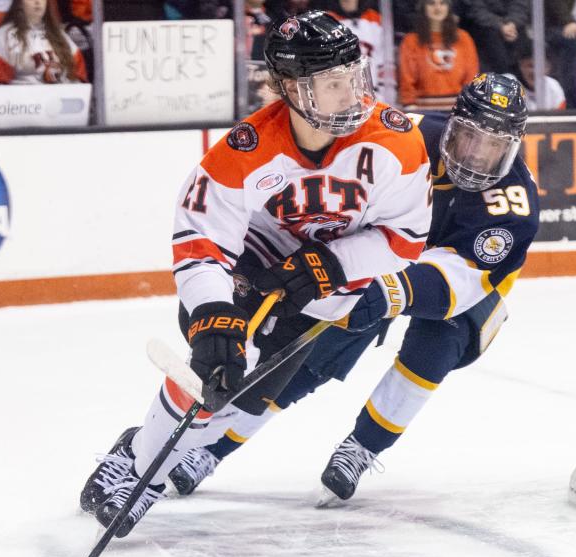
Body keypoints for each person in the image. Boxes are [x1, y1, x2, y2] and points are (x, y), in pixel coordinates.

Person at [78, 11, 432, 537]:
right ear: (291, 87)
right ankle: (140, 475)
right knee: (216, 372)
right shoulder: (246, 150)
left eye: (353, 78)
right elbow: (201, 241)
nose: (350, 94)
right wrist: (214, 310)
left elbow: (405, 240)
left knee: (241, 404)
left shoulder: (396, 143)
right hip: (250, 265)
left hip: (324, 293)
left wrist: (332, 265)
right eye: (332, 84)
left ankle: (138, 444)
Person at [165, 73, 541, 504]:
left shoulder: (514, 205)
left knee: (435, 349)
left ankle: (363, 447)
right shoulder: (411, 135)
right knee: (307, 357)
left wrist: (386, 292)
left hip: (472, 290)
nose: (476, 157)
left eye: (493, 147)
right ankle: (211, 450)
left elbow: (461, 278)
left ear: (514, 147)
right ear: (452, 124)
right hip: (384, 255)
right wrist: (343, 269)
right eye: (469, 139)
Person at [0, 0, 88, 84]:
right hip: (23, 106)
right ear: (19, 2)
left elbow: (79, 78)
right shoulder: (3, 37)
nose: (38, 2)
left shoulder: (62, 37)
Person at [398, 0, 478, 110]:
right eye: (431, 3)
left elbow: (471, 77)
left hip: (458, 110)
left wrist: (467, 105)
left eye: (443, 3)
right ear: (423, 8)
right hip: (423, 111)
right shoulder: (411, 40)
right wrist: (410, 106)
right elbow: (406, 78)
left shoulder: (464, 38)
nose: (437, 8)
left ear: (449, 7)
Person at [513, 43, 566, 110]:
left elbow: (560, 118)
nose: (535, 72)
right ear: (521, 66)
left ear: (548, 68)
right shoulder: (507, 86)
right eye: (530, 66)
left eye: (540, 66)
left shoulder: (554, 86)